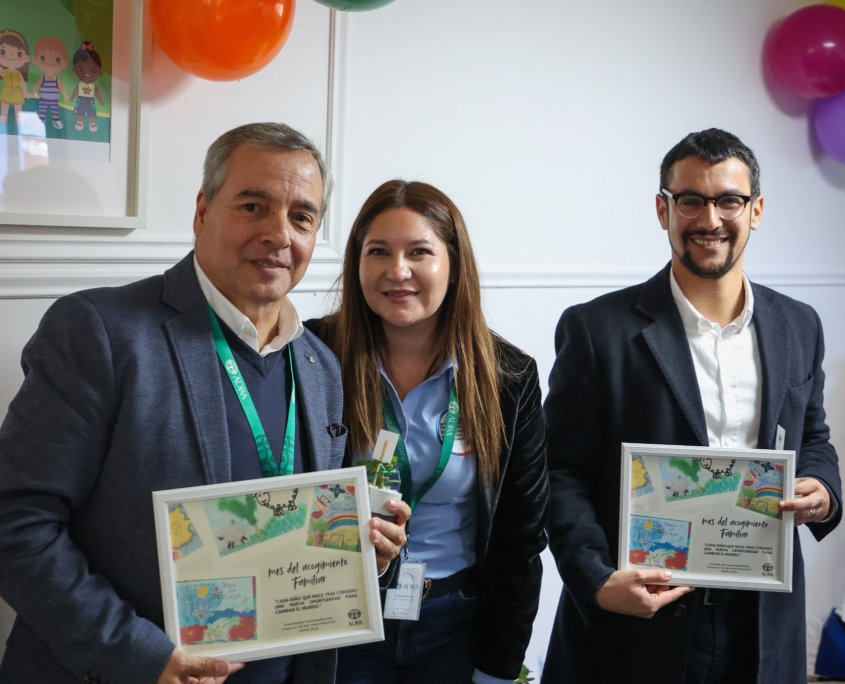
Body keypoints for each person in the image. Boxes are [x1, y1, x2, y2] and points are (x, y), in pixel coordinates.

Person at [0, 122, 409, 684]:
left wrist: (360, 556)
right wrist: (142, 658)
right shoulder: (100, 332)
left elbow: (301, 533)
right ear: (202, 211)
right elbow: (16, 522)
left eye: (301, 217)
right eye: (252, 206)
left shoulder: (320, 365)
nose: (279, 235)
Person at [541, 128, 842, 684]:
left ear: (755, 211)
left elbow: (814, 438)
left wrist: (823, 490)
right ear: (663, 209)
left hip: (761, 624)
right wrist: (596, 579)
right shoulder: (596, 330)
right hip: (636, 625)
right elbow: (560, 472)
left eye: (729, 200)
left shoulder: (799, 325)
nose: (710, 219)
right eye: (690, 200)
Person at [307, 180, 549, 684]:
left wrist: (497, 669)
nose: (398, 271)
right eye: (379, 251)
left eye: (419, 252)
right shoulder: (314, 354)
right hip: (339, 615)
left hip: (455, 622)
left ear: (454, 265)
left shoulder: (507, 376)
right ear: (357, 264)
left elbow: (520, 539)